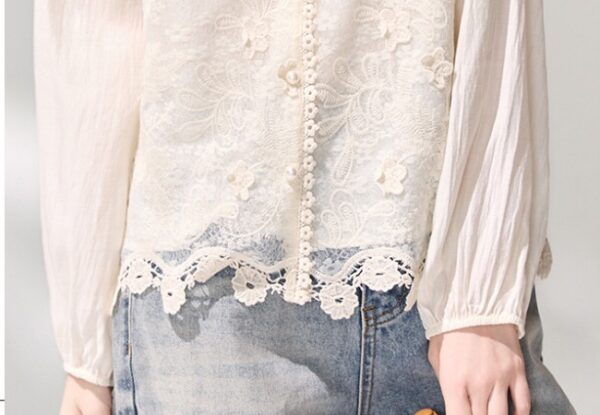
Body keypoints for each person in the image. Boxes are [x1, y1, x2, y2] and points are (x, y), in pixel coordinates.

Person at [34, 0, 576, 414]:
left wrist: (477, 300)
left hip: (433, 290)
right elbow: (92, 37)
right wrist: (87, 356)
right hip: (206, 309)